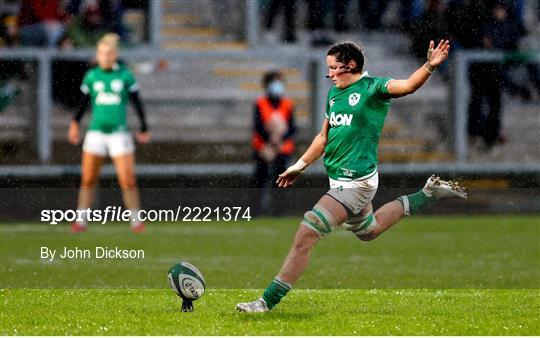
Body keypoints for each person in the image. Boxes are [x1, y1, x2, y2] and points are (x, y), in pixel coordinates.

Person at [237, 40, 466, 312]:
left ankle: (266, 303)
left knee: (305, 234)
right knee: (369, 230)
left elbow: (407, 86)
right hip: (341, 181)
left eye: (334, 68)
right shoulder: (334, 95)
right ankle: (427, 194)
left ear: (351, 65)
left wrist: (429, 66)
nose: (330, 74)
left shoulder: (372, 88)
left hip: (356, 183)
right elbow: (323, 137)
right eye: (328, 69)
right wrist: (300, 165)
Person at [68, 33, 150, 233]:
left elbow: (136, 101)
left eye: (108, 53)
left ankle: (135, 220)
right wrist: (75, 124)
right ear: (97, 55)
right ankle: (81, 220)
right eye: (101, 53)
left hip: (119, 134)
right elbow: (83, 103)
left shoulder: (125, 75)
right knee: (88, 178)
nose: (104, 57)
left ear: (115, 55)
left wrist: (143, 127)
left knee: (127, 178)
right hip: (95, 133)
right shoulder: (92, 76)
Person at [250, 70, 296, 215]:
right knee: (259, 179)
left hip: (282, 148)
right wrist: (270, 141)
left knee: (281, 179)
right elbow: (258, 126)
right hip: (263, 147)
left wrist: (279, 140)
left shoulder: (287, 104)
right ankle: (254, 211)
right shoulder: (260, 103)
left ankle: (279, 211)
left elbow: (292, 127)